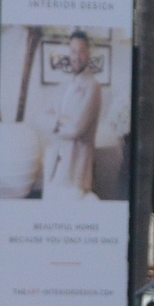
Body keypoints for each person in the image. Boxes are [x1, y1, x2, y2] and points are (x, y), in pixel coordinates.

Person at [38, 31, 106, 200]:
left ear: (88, 53)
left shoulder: (93, 86)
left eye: (81, 51)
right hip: (54, 166)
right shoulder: (64, 85)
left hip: (76, 170)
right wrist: (60, 120)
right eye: (73, 51)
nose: (77, 56)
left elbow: (76, 128)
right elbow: (39, 117)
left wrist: (54, 124)